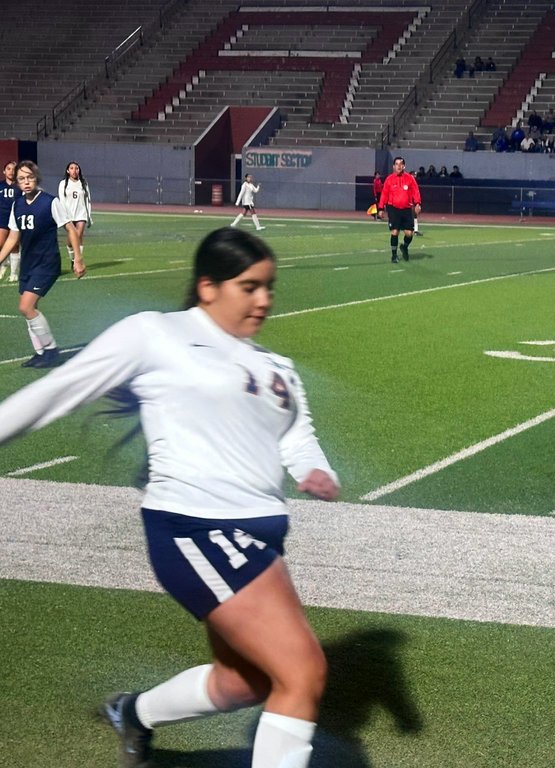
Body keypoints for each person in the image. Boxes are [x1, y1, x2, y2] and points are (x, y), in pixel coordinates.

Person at [0, 227, 339, 768]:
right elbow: (55, 393)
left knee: (243, 681)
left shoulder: (276, 367)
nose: (264, 300)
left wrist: (314, 469)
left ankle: (133, 715)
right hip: (197, 527)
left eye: (269, 287)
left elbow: (297, 434)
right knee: (302, 672)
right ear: (209, 287)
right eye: (250, 287)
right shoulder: (155, 334)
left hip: (261, 532)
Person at [0, 160, 86, 368]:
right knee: (31, 309)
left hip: (46, 263)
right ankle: (40, 353)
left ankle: (51, 350)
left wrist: (78, 259)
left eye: (30, 177)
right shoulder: (17, 205)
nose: (26, 182)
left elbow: (71, 230)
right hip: (28, 264)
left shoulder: (50, 202)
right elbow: (12, 238)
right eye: (22, 179)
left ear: (36, 178)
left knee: (25, 307)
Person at [378, 156, 421, 262]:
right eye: (396, 164)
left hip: (406, 209)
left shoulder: (410, 178)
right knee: (395, 232)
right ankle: (394, 255)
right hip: (393, 208)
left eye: (401, 164)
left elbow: (416, 191)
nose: (398, 166)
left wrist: (417, 204)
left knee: (409, 234)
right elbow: (384, 194)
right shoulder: (389, 179)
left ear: (404, 166)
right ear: (393, 166)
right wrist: (381, 207)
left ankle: (404, 246)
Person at [57, 161, 93, 269]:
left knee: (79, 235)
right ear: (68, 171)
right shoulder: (63, 183)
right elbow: (61, 200)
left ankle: (78, 261)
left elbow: (88, 200)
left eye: (76, 168)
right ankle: (73, 259)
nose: (74, 170)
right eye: (72, 168)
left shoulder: (84, 183)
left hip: (81, 213)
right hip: (68, 215)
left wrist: (89, 216)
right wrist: (64, 215)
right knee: (70, 241)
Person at [0, 160, 21, 282]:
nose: (11, 171)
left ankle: (13, 273)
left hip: (15, 217)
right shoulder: (1, 186)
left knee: (15, 245)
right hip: (2, 217)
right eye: (8, 169)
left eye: (13, 169)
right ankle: (4, 264)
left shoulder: (20, 186)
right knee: (1, 243)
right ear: (4, 171)